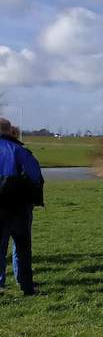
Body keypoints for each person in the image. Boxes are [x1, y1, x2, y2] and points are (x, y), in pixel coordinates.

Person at [0, 118, 43, 296]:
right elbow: (35, 178)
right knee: (22, 247)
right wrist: (32, 201)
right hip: (18, 208)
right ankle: (26, 286)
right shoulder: (20, 151)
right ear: (10, 131)